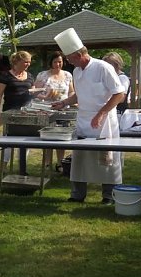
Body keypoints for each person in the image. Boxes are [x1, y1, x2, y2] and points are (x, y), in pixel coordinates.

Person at [52, 29, 125, 204]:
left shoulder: (103, 68)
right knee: (80, 158)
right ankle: (77, 195)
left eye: (69, 57)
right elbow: (79, 94)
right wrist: (64, 103)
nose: (67, 61)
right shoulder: (77, 71)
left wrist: (101, 113)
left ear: (79, 54)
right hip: (84, 120)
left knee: (107, 159)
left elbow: (119, 94)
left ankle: (109, 196)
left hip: (104, 122)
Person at [0, 50, 35, 170]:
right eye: (25, 62)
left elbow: (33, 93)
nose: (28, 64)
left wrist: (42, 93)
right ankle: (3, 167)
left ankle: (22, 167)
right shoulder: (6, 75)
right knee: (9, 140)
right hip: (10, 112)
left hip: (27, 113)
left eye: (29, 62)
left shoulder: (30, 76)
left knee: (27, 140)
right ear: (17, 61)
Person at [34, 51, 74, 170]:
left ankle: (60, 163)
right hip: (47, 109)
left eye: (60, 62)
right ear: (51, 62)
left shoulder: (68, 75)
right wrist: (45, 97)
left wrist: (71, 99)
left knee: (61, 136)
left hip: (63, 109)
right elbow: (35, 92)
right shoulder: (43, 75)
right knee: (48, 137)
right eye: (55, 62)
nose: (58, 64)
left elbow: (71, 91)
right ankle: (47, 163)